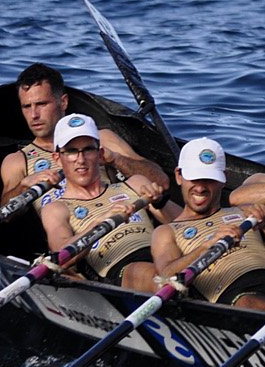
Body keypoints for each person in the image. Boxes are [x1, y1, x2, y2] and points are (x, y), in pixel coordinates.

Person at [151, 137, 265, 311]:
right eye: (194, 179)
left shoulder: (244, 211)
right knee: (254, 304)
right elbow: (165, 276)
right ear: (179, 176)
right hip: (236, 292)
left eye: (208, 180)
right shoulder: (167, 231)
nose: (200, 188)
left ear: (223, 179)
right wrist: (206, 247)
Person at [0, 63, 167, 205]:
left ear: (63, 102)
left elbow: (162, 182)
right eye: (27, 107)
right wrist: (23, 187)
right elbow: (6, 216)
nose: (34, 115)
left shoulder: (102, 139)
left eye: (41, 104)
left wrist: (116, 159)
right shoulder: (17, 161)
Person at [37, 114, 170, 292]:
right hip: (122, 269)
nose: (81, 159)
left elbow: (185, 224)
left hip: (165, 255)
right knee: (155, 274)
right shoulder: (56, 208)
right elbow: (63, 256)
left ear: (100, 154)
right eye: (71, 151)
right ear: (57, 158)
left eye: (88, 149)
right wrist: (98, 224)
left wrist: (161, 203)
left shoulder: (135, 183)